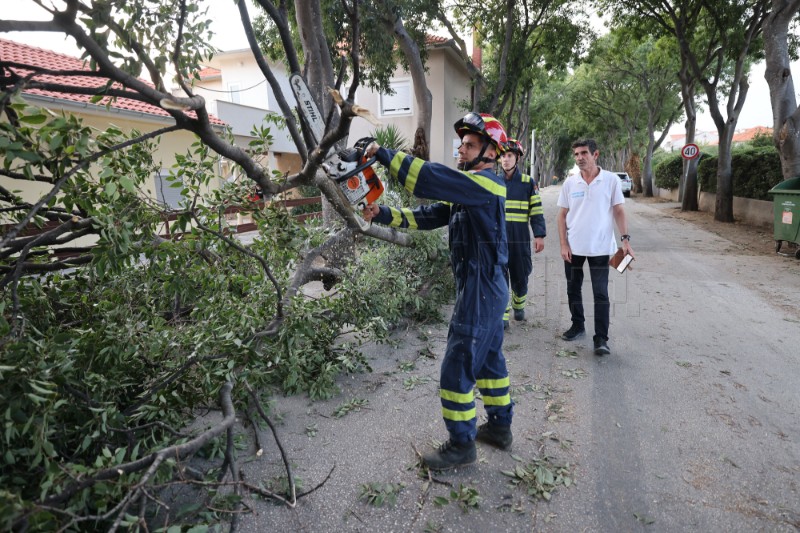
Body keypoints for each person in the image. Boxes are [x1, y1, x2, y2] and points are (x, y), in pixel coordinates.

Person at [361, 112, 514, 470]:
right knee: (489, 362)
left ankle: (462, 445)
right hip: (487, 290)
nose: (461, 150)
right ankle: (500, 428)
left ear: (491, 153)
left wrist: (383, 154)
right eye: (462, 144)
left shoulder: (487, 185)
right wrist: (382, 213)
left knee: (456, 368)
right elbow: (428, 215)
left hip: (480, 292)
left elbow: (428, 179)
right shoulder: (469, 189)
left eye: (470, 145)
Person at [557, 139, 634, 356]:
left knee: (600, 293)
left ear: (595, 154)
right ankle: (577, 325)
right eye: (576, 154)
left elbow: (619, 211)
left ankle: (601, 338)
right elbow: (561, 216)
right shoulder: (570, 183)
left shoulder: (610, 180)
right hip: (573, 248)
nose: (579, 157)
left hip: (601, 248)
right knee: (573, 289)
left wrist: (625, 241)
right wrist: (563, 244)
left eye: (584, 153)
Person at [499, 138, 545, 329]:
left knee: (521, 274)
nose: (505, 159)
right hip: (498, 240)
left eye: (509, 155)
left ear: (517, 158)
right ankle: (502, 316)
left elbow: (536, 210)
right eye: (503, 156)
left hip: (520, 240)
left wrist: (539, 235)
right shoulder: (494, 181)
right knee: (499, 277)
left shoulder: (528, 183)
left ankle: (519, 306)